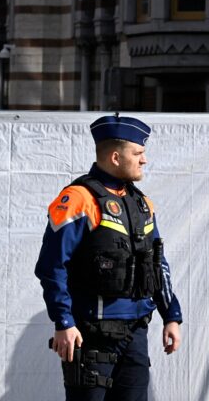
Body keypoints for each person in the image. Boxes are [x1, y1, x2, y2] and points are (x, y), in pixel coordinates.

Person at [35, 115, 182, 401]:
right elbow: (52, 266)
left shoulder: (142, 203)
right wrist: (63, 322)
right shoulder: (77, 198)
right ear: (116, 157)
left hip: (136, 333)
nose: (144, 160)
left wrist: (171, 316)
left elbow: (157, 264)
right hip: (90, 335)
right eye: (138, 153)